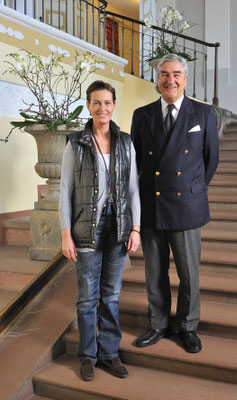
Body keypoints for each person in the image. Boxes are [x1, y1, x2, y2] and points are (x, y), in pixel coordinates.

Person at [131, 54, 219, 353]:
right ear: (158, 79)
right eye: (165, 74)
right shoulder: (142, 115)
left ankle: (187, 326)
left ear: (185, 78)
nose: (170, 79)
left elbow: (211, 160)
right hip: (152, 204)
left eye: (177, 74)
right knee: (154, 271)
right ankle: (157, 324)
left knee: (188, 273)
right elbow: (138, 161)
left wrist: (192, 188)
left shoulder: (204, 113)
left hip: (186, 205)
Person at [59, 80, 141, 381]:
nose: (102, 108)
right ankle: (88, 356)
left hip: (118, 228)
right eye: (96, 103)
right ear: (89, 105)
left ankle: (110, 354)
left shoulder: (126, 143)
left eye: (107, 103)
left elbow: (133, 190)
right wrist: (65, 234)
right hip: (85, 229)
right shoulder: (75, 143)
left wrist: (136, 228)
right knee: (86, 298)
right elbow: (66, 190)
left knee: (111, 296)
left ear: (114, 105)